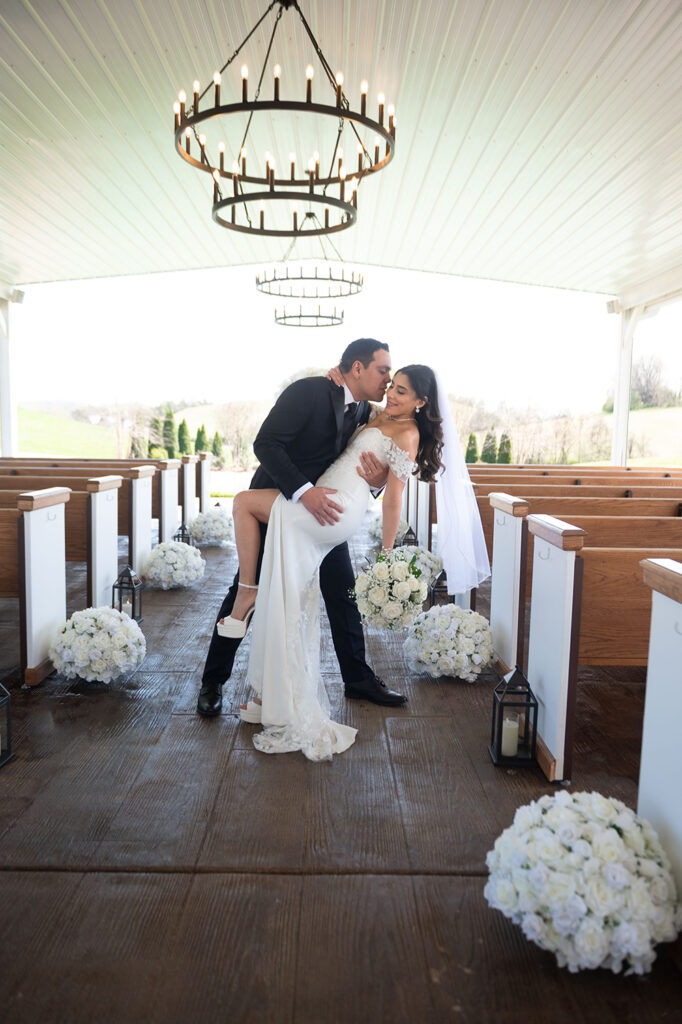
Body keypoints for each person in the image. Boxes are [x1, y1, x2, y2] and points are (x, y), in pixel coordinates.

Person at [224, 363, 446, 761]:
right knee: (286, 593)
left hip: (334, 508)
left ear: (421, 401)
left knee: (243, 503)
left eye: (402, 391)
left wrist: (387, 550)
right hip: (328, 501)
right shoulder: (376, 414)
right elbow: (351, 409)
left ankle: (247, 598)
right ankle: (269, 696)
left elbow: (393, 495)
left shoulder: (407, 432)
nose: (392, 394)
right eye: (392, 386)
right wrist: (338, 377)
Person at [196, 338, 407, 718]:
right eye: (382, 371)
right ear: (356, 368)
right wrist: (304, 492)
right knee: (245, 592)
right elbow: (267, 444)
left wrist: (376, 481)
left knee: (343, 594)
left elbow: (364, 462)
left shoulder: (364, 411)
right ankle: (213, 682)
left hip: (323, 514)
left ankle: (357, 679)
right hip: (280, 506)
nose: (387, 381)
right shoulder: (307, 392)